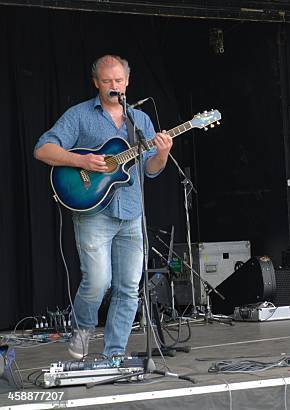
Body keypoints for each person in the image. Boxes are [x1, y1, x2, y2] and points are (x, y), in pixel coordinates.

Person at [34, 55, 173, 358]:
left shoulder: (141, 120)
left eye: (119, 80)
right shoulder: (79, 115)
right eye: (107, 81)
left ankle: (114, 356)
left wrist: (162, 152)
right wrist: (81, 160)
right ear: (96, 82)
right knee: (98, 283)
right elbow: (43, 149)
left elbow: (151, 169)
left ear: (127, 82)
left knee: (127, 289)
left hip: (132, 212)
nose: (114, 86)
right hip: (94, 212)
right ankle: (83, 328)